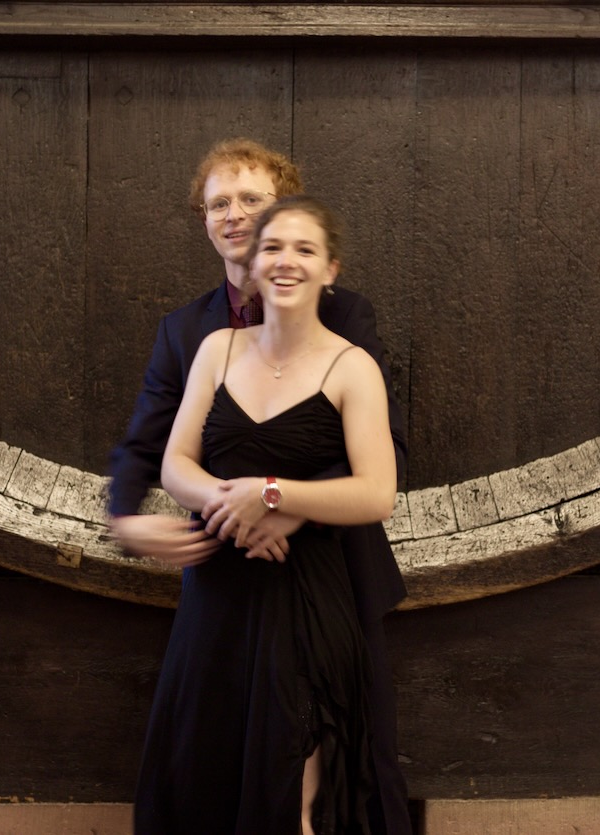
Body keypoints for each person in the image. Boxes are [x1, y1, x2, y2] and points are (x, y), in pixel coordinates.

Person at [109, 139, 411, 834]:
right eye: (219, 202)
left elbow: (382, 458)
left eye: (252, 199)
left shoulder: (347, 322)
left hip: (326, 574)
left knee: (319, 782)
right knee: (209, 769)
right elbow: (155, 445)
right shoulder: (192, 335)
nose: (235, 214)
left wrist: (278, 502)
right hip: (224, 579)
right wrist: (136, 515)